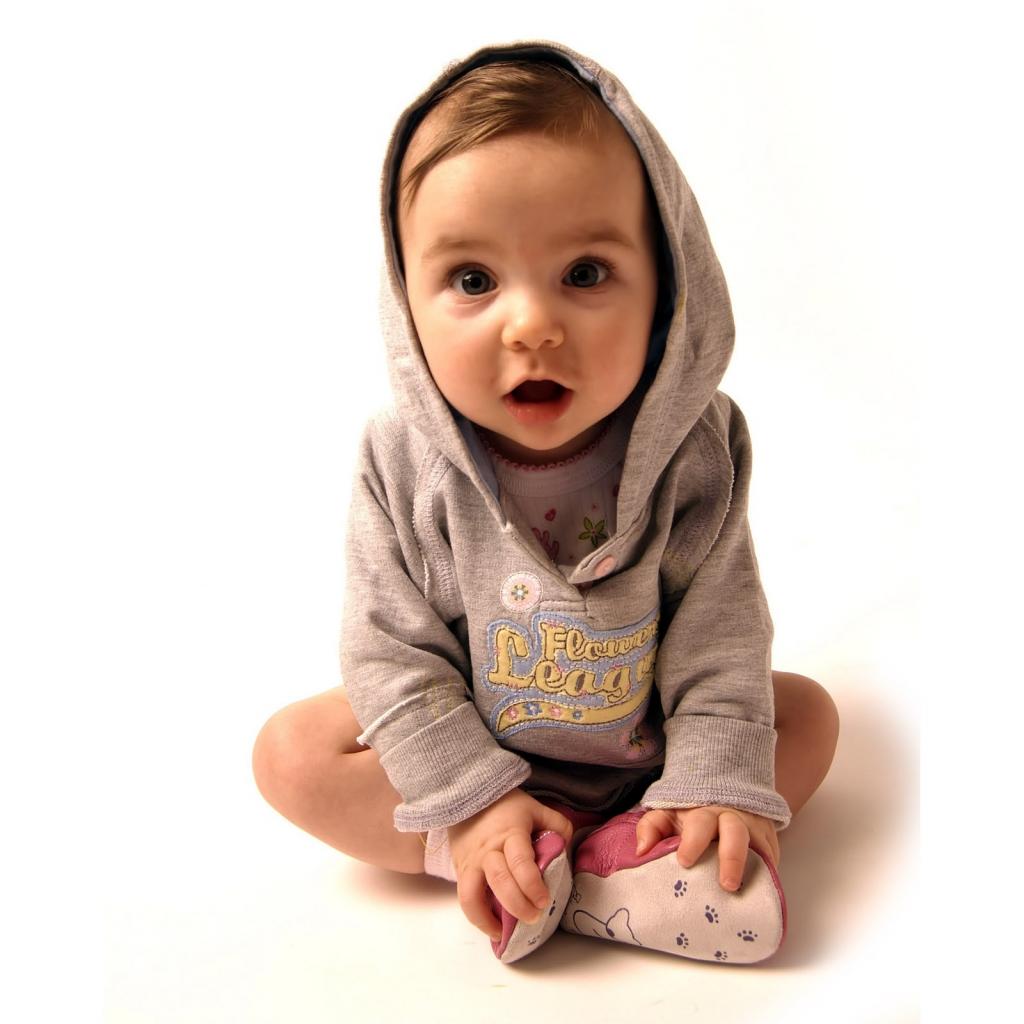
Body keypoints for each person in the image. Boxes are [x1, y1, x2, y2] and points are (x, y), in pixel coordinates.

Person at [252, 39, 840, 965]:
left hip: (647, 756)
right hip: (479, 750)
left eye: (586, 273)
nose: (532, 325)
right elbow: (389, 650)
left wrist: (708, 779)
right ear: (407, 302)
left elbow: (720, 630)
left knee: (809, 716)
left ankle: (625, 855)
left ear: (667, 289)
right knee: (291, 752)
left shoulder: (695, 451)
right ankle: (498, 854)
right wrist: (474, 799)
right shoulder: (402, 460)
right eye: (473, 281)